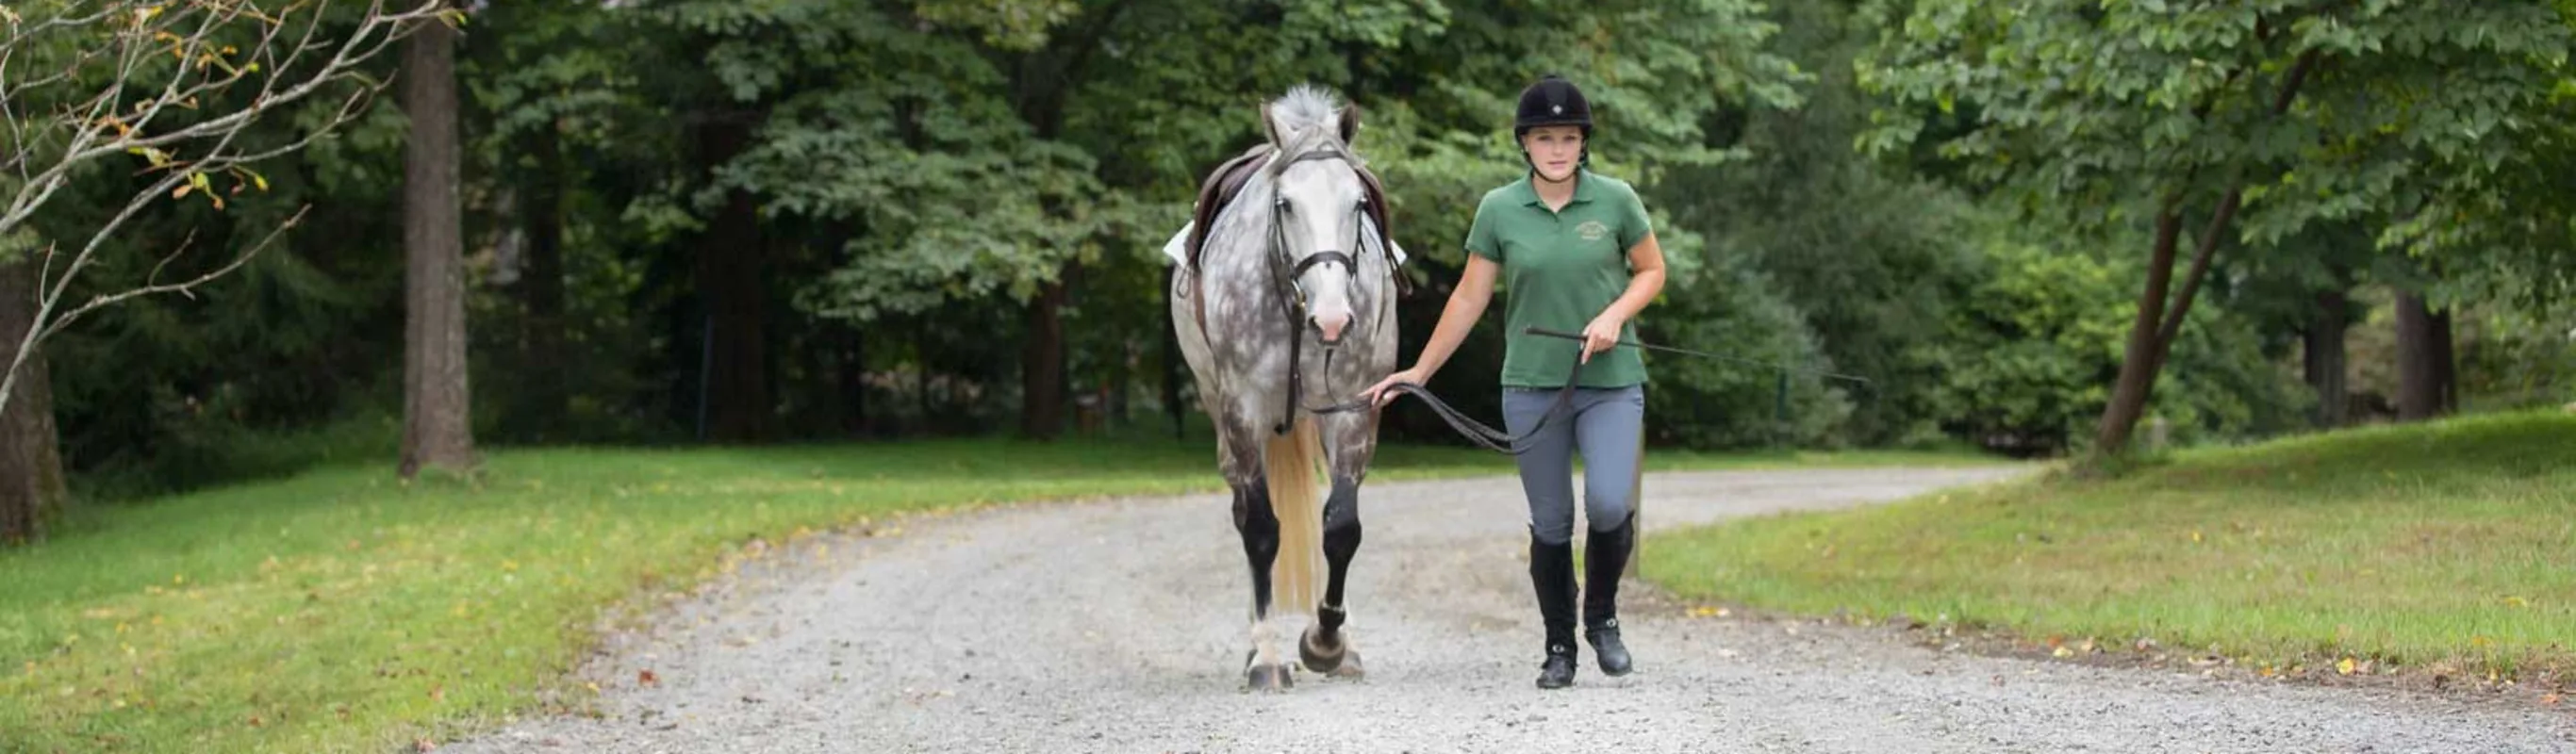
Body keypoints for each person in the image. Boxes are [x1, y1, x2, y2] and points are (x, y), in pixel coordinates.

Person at [1361, 74, 1667, 689]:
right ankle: (1559, 647)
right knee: (1551, 521)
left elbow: (1651, 271)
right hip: (1530, 385)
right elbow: (1471, 298)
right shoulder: (1499, 209)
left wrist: (1613, 316)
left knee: (1609, 502)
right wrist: (1419, 371)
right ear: (1524, 143)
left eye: (1569, 137)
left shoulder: (1616, 200)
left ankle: (1601, 619)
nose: (1558, 147)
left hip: (1609, 381)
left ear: (1585, 143)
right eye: (1544, 136)